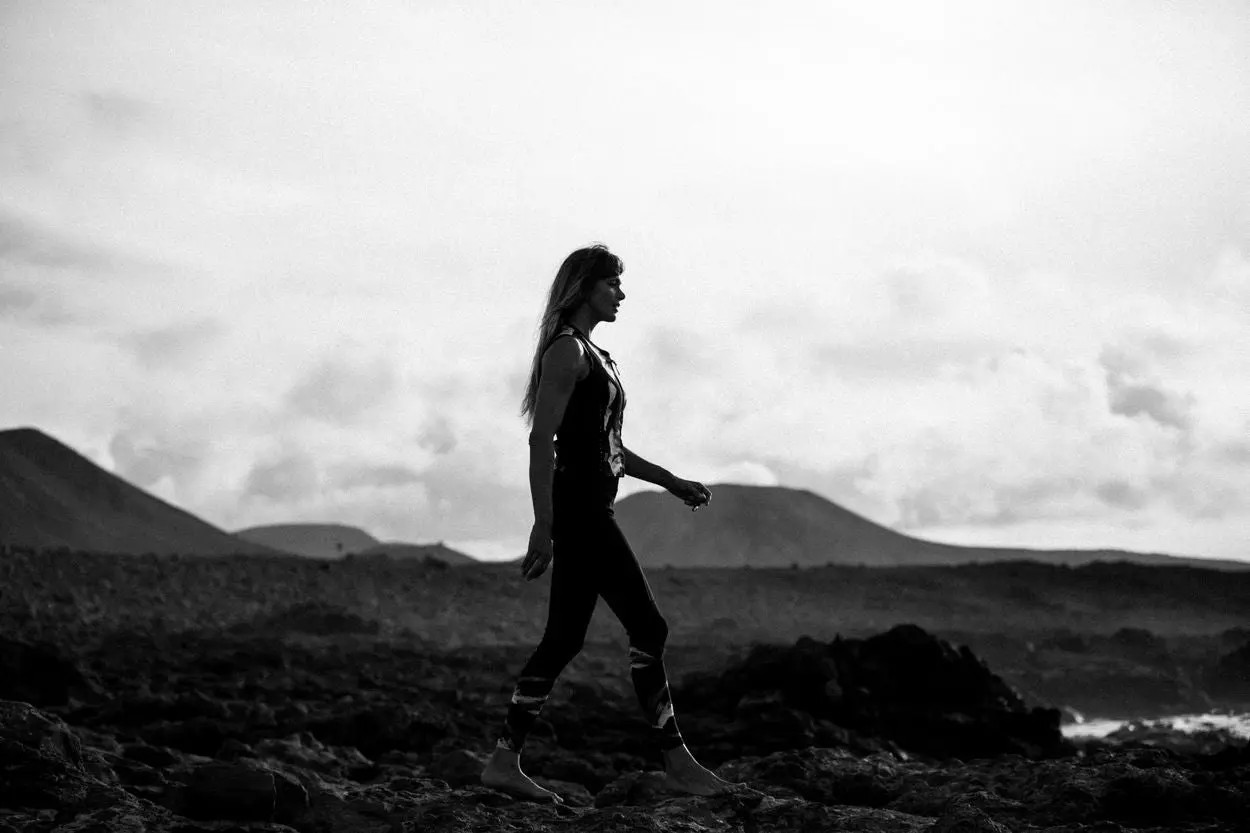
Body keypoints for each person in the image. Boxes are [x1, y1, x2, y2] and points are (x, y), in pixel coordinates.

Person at [480, 244, 737, 803]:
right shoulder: (567, 352)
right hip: (580, 511)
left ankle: (503, 761)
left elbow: (611, 446)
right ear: (584, 288)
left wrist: (671, 481)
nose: (621, 294)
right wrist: (543, 524)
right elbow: (541, 441)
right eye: (611, 283)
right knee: (649, 628)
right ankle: (677, 762)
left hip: (592, 506)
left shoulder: (598, 356)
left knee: (563, 639)